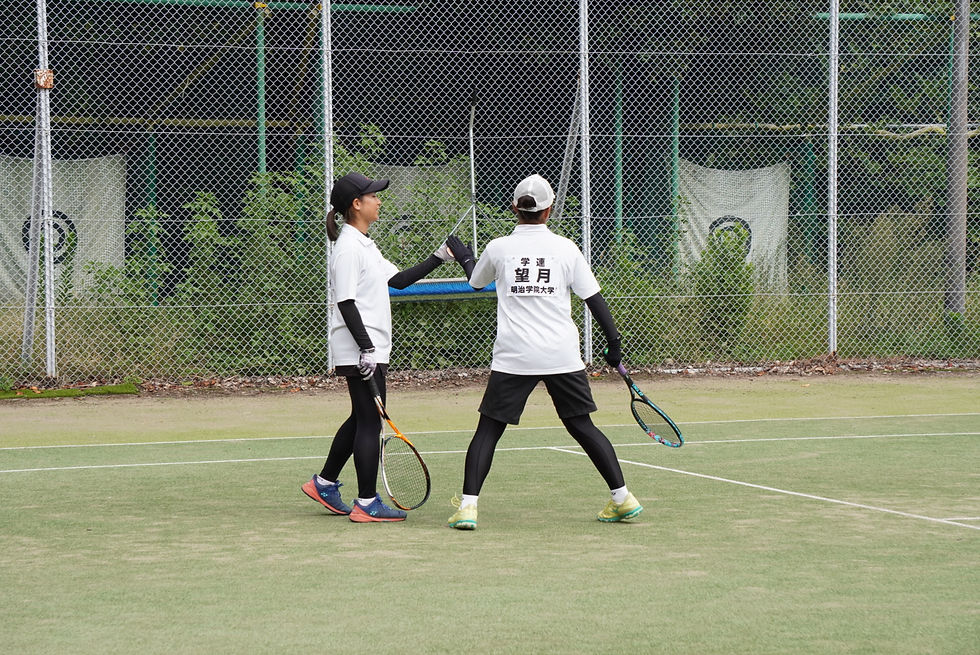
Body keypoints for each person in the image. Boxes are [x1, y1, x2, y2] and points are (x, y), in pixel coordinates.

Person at [444, 174, 642, 530]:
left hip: (515, 355)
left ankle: (468, 508)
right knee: (582, 426)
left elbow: (475, 280)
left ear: (514, 208)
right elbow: (594, 299)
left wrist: (465, 256)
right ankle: (622, 498)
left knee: (488, 430)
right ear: (549, 210)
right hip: (561, 354)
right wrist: (614, 345)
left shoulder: (500, 247)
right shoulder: (566, 249)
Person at [302, 172, 453, 523]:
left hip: (368, 348)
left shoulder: (365, 244)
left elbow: (398, 281)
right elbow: (346, 302)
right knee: (371, 424)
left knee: (362, 419)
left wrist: (440, 255)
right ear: (357, 204)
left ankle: (323, 483)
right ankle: (367, 503)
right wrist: (367, 349)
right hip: (360, 349)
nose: (379, 200)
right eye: (374, 196)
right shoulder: (348, 248)